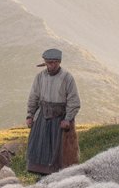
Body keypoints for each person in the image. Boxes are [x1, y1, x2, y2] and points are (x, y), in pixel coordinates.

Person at [25, 47, 81, 176]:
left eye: (55, 62)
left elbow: (74, 101)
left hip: (60, 120)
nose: (52, 65)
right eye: (49, 62)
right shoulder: (40, 77)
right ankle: (42, 177)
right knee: (40, 148)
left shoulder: (67, 78)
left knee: (59, 152)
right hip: (42, 119)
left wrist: (68, 118)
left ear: (59, 62)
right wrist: (30, 115)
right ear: (45, 62)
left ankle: (58, 177)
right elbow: (34, 97)